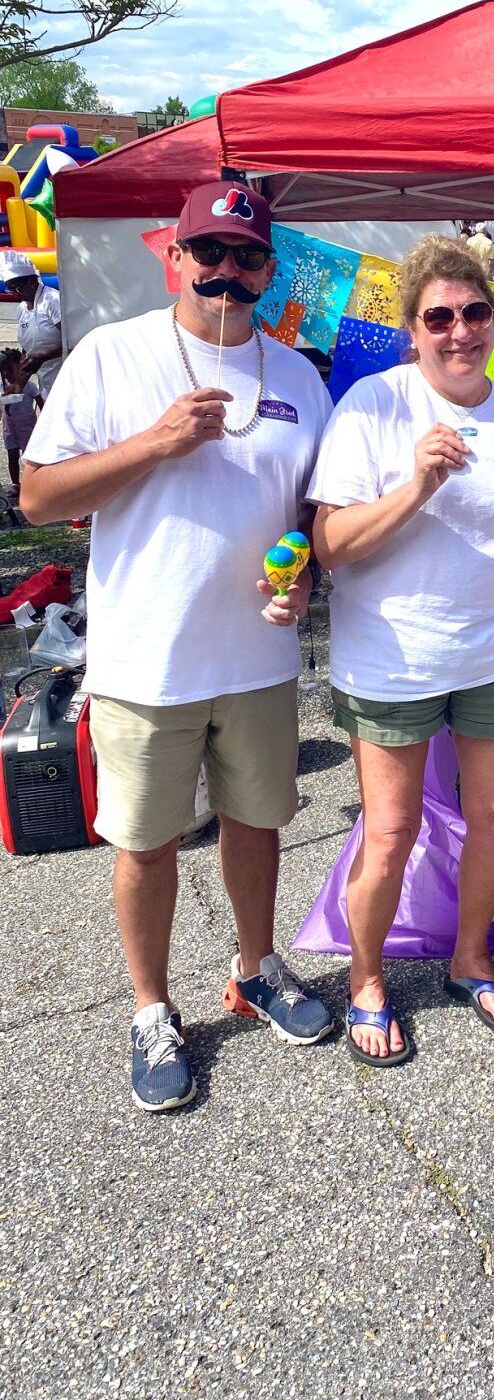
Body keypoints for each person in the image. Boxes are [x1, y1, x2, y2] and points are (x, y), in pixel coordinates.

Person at [20, 181, 334, 1113]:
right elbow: (39, 496)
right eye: (210, 254)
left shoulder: (299, 377)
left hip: (259, 658)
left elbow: (310, 518)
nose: (226, 273)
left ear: (269, 271)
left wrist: (305, 579)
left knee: (257, 823)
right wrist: (155, 443)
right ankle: (152, 1007)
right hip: (147, 657)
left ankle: (256, 967)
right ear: (176, 257)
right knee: (148, 842)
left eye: (246, 257)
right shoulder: (112, 356)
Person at [310, 237, 494, 1065]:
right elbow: (330, 545)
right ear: (412, 329)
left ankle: (470, 957)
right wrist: (415, 484)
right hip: (392, 662)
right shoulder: (372, 408)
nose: (459, 331)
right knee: (389, 831)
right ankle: (364, 979)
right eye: (439, 317)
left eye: (474, 313)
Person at [2, 253, 63, 401]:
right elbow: (28, 352)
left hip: (66, 376)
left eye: (16, 288)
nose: (15, 294)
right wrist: (18, 385)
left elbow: (75, 339)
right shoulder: (22, 309)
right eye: (10, 290)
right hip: (46, 380)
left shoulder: (52, 301)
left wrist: (45, 356)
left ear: (31, 281)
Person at [0, 346, 39, 489]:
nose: (6, 373)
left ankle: (30, 485)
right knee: (12, 456)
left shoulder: (29, 386)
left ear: (20, 366)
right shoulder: (2, 386)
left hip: (27, 427)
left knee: (28, 458)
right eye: (3, 371)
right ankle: (16, 484)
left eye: (9, 369)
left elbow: (41, 402)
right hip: (9, 428)